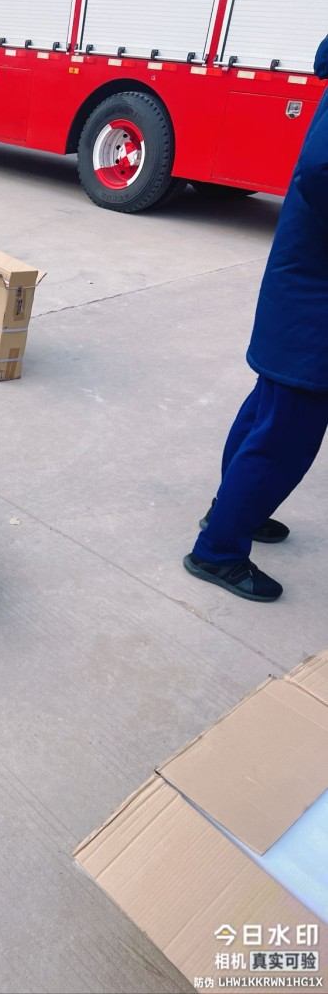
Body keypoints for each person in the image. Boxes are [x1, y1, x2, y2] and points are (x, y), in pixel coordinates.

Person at [184, 37, 328, 603]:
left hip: (305, 284)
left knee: (268, 412)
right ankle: (218, 550)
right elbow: (322, 172)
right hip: (315, 298)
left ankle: (232, 508)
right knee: (286, 434)